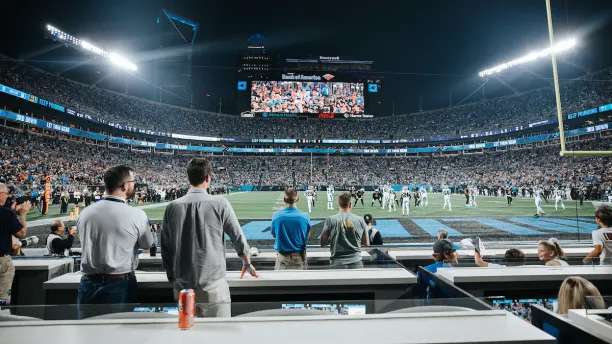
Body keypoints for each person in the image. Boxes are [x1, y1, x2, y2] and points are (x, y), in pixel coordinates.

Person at [161, 158, 256, 318]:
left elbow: (166, 247)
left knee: (187, 337)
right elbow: (237, 237)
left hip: (183, 288)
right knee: (219, 336)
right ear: (208, 178)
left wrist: (172, 278)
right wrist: (246, 261)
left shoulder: (172, 207)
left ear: (189, 177)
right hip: (214, 288)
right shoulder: (220, 203)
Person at [77, 166, 154, 313]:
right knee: (119, 332)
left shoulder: (85, 213)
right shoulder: (136, 214)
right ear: (124, 185)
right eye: (132, 181)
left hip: (88, 281)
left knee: (87, 331)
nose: (134, 185)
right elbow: (147, 244)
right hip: (120, 282)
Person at [320, 192, 369, 268]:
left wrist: (335, 237)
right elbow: (366, 243)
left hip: (336, 262)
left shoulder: (330, 219)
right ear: (350, 204)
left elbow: (323, 243)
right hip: (356, 261)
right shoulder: (360, 220)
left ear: (339, 204)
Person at [0, 183, 30, 304]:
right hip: (1, 259)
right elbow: (21, 233)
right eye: (6, 194)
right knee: (2, 299)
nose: (7, 197)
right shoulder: (5, 213)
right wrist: (22, 214)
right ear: (1, 195)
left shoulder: (7, 212)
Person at [271, 188, 311, 270]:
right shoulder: (305, 216)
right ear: (297, 199)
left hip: (282, 257)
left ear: (284, 199)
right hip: (299, 257)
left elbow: (274, 234)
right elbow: (307, 237)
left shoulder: (276, 215)